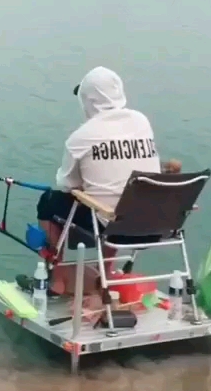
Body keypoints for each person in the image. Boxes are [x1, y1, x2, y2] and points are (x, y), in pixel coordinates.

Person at [37, 66, 179, 293]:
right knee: (117, 200)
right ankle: (105, 273)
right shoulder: (141, 121)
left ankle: (58, 280)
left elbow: (66, 185)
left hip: (115, 228)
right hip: (156, 224)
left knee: (48, 202)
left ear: (87, 100)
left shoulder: (81, 137)